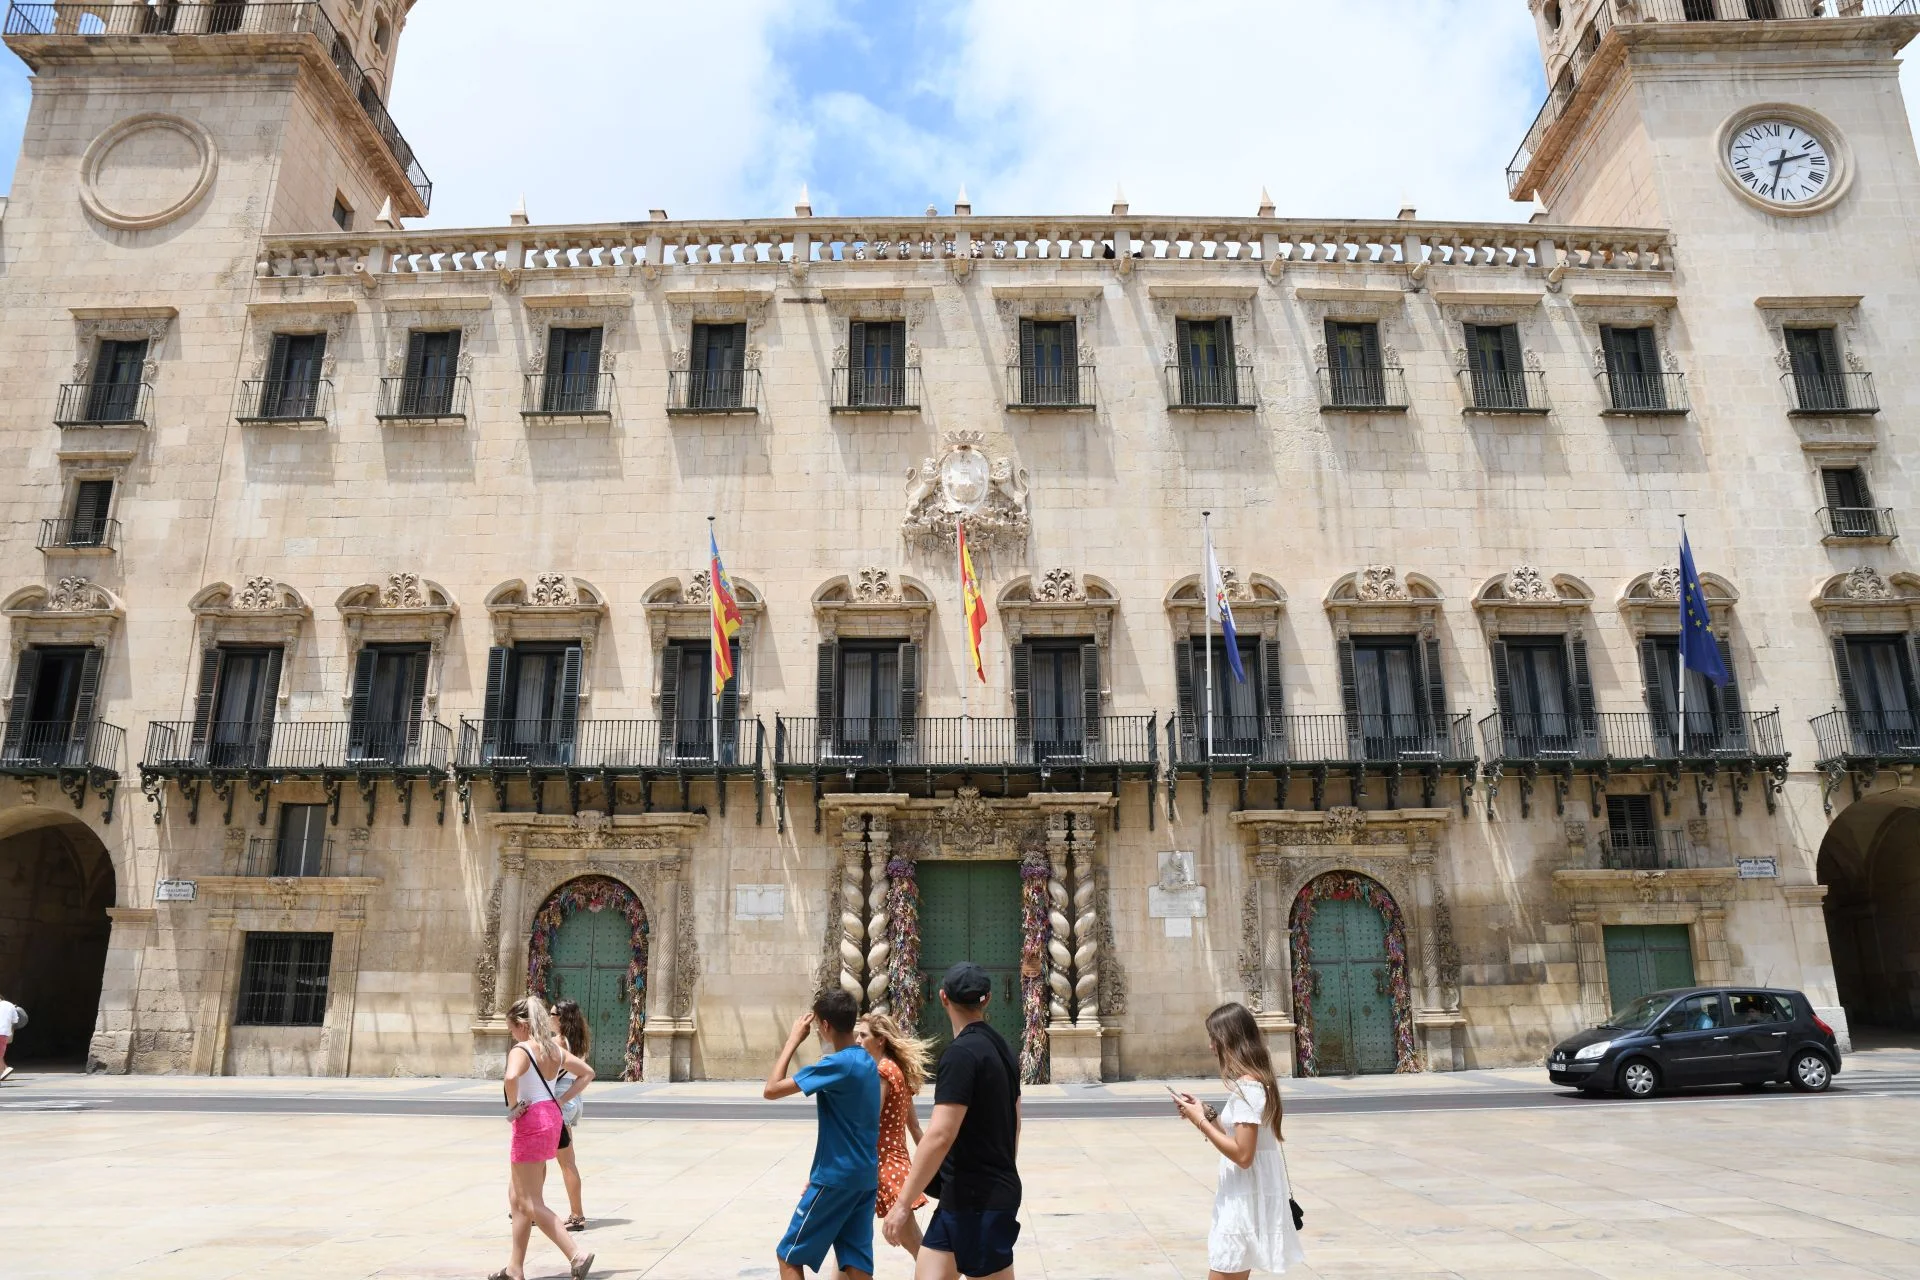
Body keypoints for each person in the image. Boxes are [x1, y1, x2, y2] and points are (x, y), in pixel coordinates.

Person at [883, 962, 1023, 1280]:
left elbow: (941, 1133)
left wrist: (903, 1203)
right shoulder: (1004, 1049)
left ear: (943, 997)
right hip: (962, 1198)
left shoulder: (960, 1054)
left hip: (978, 1201)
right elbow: (1015, 1120)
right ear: (987, 999)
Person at [1171, 1002, 1306, 1280]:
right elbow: (1238, 1136)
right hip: (1243, 1195)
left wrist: (1199, 1120)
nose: (1211, 1046)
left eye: (1214, 1038)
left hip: (1242, 1201)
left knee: (1223, 1271)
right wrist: (1206, 1114)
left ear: (1229, 1040)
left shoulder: (1249, 1088)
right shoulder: (1254, 1084)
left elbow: (1243, 1155)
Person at [764, 988, 882, 1280]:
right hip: (864, 1176)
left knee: (788, 1254)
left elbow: (772, 1089)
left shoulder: (837, 1064)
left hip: (836, 1176)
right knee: (856, 1262)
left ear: (826, 1026)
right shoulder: (866, 1061)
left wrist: (793, 1040)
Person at [494, 997, 596, 1280]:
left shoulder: (521, 1049)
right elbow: (587, 1073)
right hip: (551, 1118)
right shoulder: (553, 1048)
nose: (511, 1033)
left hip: (531, 1122)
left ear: (521, 1024)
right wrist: (561, 1098)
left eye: (511, 1027)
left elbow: (511, 1077)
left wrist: (513, 1107)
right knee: (517, 1197)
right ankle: (515, 1268)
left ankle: (576, 1254)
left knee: (528, 1201)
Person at [855, 1011, 933, 1257]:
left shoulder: (882, 1072)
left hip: (884, 1166)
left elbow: (869, 1122)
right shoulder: (897, 1069)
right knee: (851, 1237)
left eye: (863, 1035)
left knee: (914, 1243)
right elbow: (915, 1127)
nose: (857, 1040)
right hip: (895, 1163)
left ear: (880, 1040)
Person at [551, 998, 592, 1232]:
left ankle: (577, 1215)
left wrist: (561, 1099)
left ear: (561, 1018)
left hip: (560, 1099)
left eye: (553, 1014)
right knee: (564, 1161)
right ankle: (534, 1207)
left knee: (565, 1162)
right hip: (572, 1100)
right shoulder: (579, 1041)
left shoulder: (558, 1043)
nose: (549, 1017)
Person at [0, 993, 22, 1081]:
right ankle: (4, 1068)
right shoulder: (10, 1005)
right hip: (5, 1033)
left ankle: (4, 1069)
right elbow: (16, 1020)